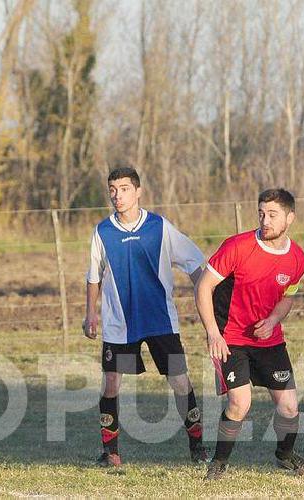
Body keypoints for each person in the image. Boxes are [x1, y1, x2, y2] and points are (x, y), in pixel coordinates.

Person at [83, 167, 210, 468]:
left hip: (160, 323)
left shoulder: (159, 227)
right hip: (120, 327)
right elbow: (93, 275)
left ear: (138, 191)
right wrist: (90, 312)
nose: (117, 195)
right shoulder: (102, 231)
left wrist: (209, 301)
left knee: (180, 381)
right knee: (112, 383)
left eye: (124, 188)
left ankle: (198, 447)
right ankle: (111, 452)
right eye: (112, 189)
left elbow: (195, 264)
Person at [194, 188, 304, 480]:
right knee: (240, 403)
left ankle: (285, 456)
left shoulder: (297, 258)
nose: (265, 220)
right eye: (261, 213)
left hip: (269, 341)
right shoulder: (237, 247)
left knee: (288, 407)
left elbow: (288, 295)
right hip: (231, 338)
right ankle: (219, 463)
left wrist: (273, 319)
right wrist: (213, 333)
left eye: (273, 214)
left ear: (290, 218)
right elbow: (203, 286)